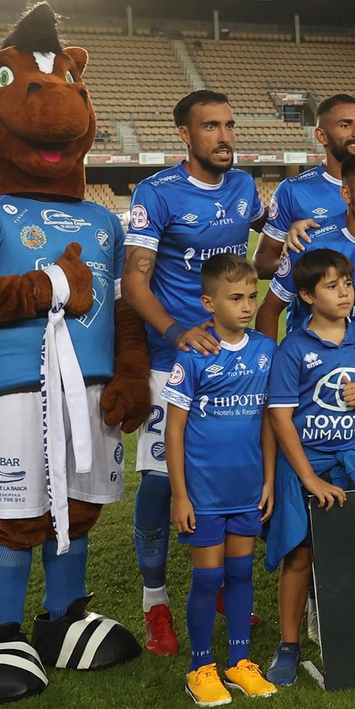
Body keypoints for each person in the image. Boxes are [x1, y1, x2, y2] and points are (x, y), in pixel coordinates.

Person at [123, 89, 266, 656]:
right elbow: (136, 282)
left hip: (231, 363)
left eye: (230, 125)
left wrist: (296, 230)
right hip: (170, 363)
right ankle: (155, 601)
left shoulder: (244, 187)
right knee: (161, 483)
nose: (225, 136)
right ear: (185, 134)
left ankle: (229, 591)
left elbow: (270, 242)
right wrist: (175, 332)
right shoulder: (155, 194)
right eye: (211, 127)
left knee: (233, 470)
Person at [263, 248, 355, 685]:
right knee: (301, 556)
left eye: (348, 283)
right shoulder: (293, 349)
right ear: (305, 294)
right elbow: (281, 417)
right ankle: (289, 646)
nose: (344, 293)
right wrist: (309, 478)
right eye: (331, 286)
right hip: (308, 465)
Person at [159, 253, 279, 705]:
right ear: (209, 302)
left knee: (241, 574)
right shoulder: (193, 353)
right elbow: (173, 428)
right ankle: (200, 667)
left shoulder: (266, 350)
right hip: (204, 494)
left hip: (247, 489)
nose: (247, 306)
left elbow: (269, 421)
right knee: (208, 581)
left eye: (252, 296)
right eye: (235, 298)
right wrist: (179, 495)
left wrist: (268, 480)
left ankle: (239, 663)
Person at [258, 152, 355, 339]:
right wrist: (269, 363)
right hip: (312, 360)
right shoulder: (310, 244)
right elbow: (269, 309)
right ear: (347, 194)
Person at [252, 95, 355, 278]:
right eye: (345, 125)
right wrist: (313, 270)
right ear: (321, 136)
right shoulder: (293, 190)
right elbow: (262, 262)